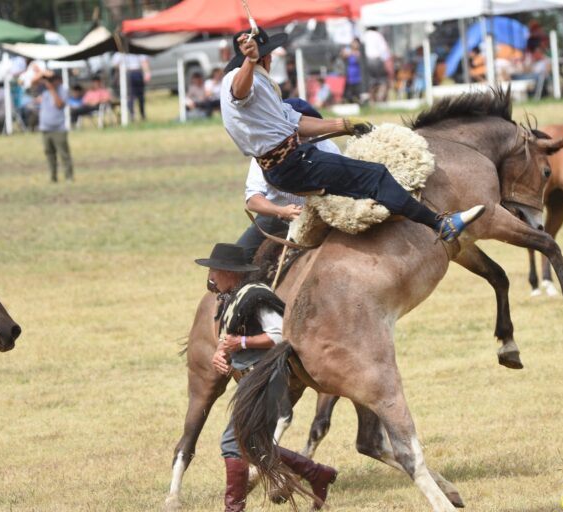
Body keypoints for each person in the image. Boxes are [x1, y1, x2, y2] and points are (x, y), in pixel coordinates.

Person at [220, 27, 484, 244]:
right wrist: (250, 61)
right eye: (267, 55)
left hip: (292, 161)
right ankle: (441, 225)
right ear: (262, 57)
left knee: (361, 183)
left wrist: (343, 124)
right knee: (376, 176)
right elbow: (239, 92)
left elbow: (298, 122)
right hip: (292, 163)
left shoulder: (263, 84)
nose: (271, 59)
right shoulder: (238, 79)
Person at [195, 243, 338, 512]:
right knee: (252, 444)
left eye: (214, 270)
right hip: (254, 379)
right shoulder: (233, 297)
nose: (211, 276)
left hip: (266, 378)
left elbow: (281, 335)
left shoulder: (255, 295)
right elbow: (228, 338)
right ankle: (317, 473)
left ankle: (234, 509)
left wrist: (242, 343)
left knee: (233, 443)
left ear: (229, 272)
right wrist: (219, 354)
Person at [237, 98, 340, 263]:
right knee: (234, 260)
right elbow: (253, 200)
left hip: (319, 219)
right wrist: (281, 211)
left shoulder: (328, 148)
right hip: (275, 218)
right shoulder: (266, 150)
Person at [36, 71, 73, 182]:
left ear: (58, 79)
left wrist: (52, 90)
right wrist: (41, 75)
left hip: (58, 128)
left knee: (64, 154)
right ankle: (53, 177)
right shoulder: (44, 90)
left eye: (51, 80)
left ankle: (68, 177)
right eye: (48, 80)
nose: (50, 82)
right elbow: (28, 85)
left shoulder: (63, 90)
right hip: (45, 128)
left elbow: (59, 105)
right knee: (49, 154)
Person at [112, 52, 150, 121]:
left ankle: (136, 114)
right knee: (134, 96)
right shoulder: (135, 49)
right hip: (133, 73)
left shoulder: (120, 52)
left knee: (134, 96)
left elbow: (115, 64)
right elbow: (144, 61)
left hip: (129, 73)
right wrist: (147, 72)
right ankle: (137, 114)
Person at [362, 26, 392, 102]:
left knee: (370, 81)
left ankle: (371, 100)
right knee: (383, 80)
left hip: (366, 61)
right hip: (377, 60)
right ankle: (380, 99)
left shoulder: (364, 36)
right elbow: (384, 51)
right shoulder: (378, 35)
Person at [341, 38, 363, 103]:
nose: (355, 44)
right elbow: (343, 55)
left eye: (356, 43)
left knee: (358, 95)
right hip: (349, 77)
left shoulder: (359, 52)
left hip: (358, 77)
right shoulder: (348, 51)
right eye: (353, 43)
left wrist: (352, 53)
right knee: (348, 96)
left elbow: (358, 57)